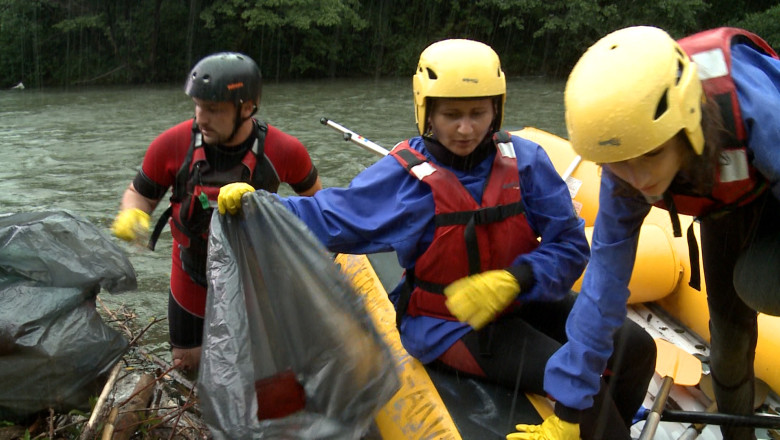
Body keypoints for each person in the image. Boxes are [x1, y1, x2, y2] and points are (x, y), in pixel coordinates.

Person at [218, 39, 656, 439]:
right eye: (451, 115)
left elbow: (569, 244)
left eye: (477, 113)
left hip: (517, 295)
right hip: (446, 323)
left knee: (637, 347)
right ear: (426, 110)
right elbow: (329, 216)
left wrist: (517, 278)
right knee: (580, 386)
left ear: (496, 110)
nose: (465, 129)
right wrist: (260, 205)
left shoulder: (526, 162)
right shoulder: (404, 179)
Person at [533, 26, 780, 440]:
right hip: (725, 203)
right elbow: (603, 287)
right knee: (728, 340)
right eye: (619, 163)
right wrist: (570, 405)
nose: (639, 178)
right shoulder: (623, 174)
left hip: (766, 180)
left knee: (757, 284)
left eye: (651, 154)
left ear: (686, 122)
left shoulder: (756, 106)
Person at [110, 52, 322, 372]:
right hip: (192, 272)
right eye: (197, 106)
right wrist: (132, 213)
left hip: (255, 275)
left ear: (247, 108)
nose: (200, 118)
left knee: (259, 370)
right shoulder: (172, 144)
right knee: (186, 365)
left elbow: (321, 205)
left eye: (213, 109)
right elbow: (139, 194)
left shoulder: (284, 150)